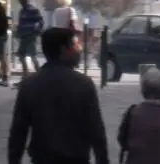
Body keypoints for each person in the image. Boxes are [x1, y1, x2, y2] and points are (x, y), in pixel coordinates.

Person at [8, 27, 109, 164]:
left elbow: (18, 131)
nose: (79, 50)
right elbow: (95, 129)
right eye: (75, 45)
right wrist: (102, 159)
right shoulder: (83, 84)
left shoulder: (30, 84)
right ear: (63, 50)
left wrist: (14, 160)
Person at [15, 0, 44, 80]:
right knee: (21, 55)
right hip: (23, 36)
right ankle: (25, 74)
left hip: (31, 35)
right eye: (20, 2)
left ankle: (40, 75)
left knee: (33, 55)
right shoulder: (22, 11)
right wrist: (18, 32)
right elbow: (21, 23)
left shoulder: (33, 10)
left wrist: (37, 31)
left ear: (26, 1)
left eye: (22, 2)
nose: (21, 4)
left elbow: (41, 21)